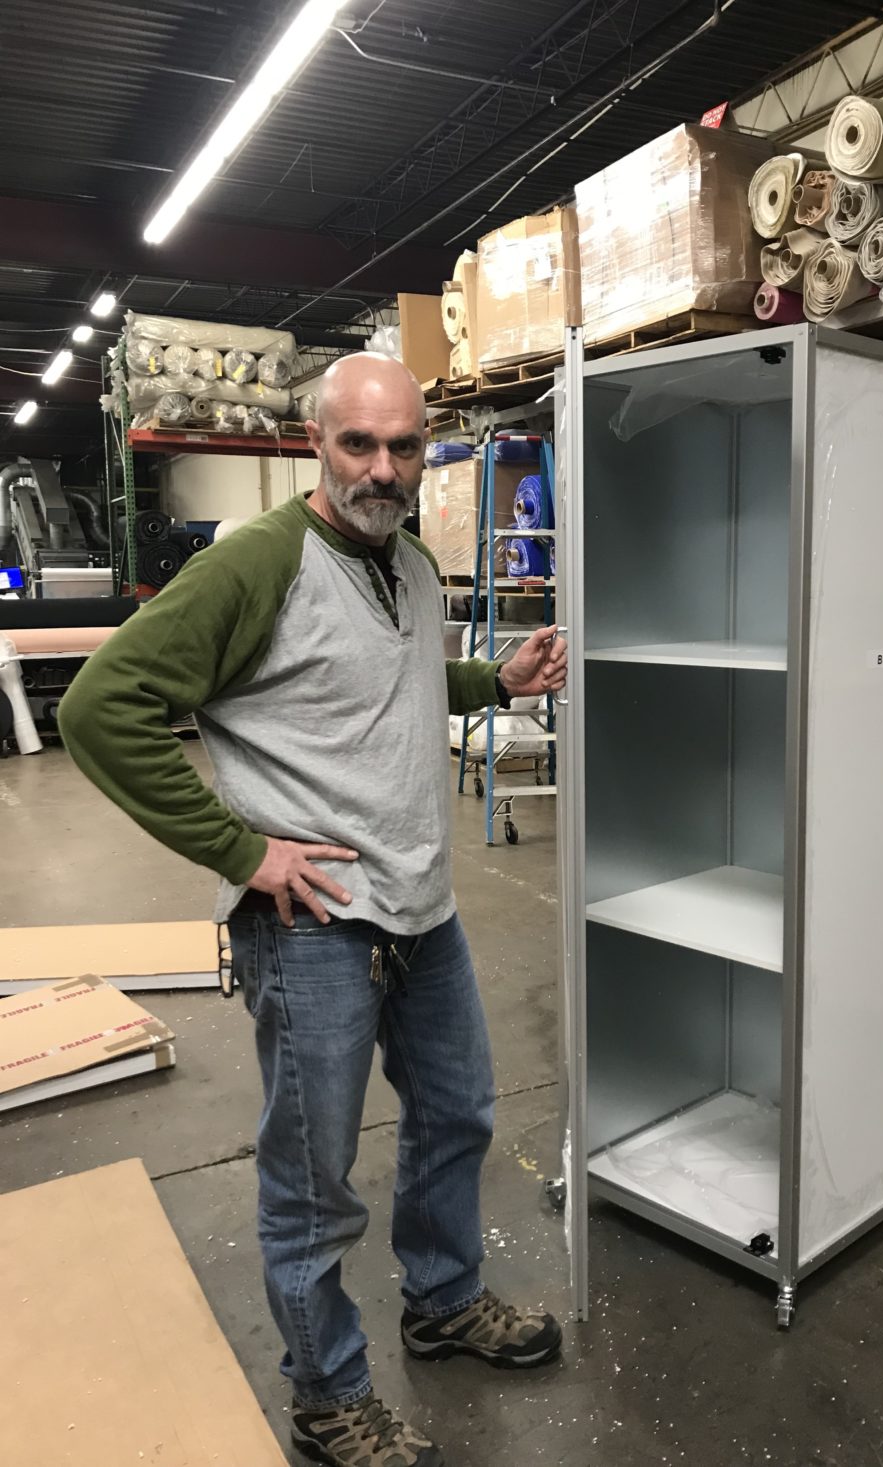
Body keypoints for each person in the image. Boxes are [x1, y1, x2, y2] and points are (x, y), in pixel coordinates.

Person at [60, 352, 568, 1467]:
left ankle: (441, 1303)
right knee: (312, 1180)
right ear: (315, 443)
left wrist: (498, 682)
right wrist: (241, 852)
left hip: (421, 915)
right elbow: (104, 708)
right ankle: (327, 1395)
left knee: (457, 1118)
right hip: (314, 931)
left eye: (403, 446)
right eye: (358, 445)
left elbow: (389, 680)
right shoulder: (256, 566)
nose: (382, 469)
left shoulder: (414, 560)